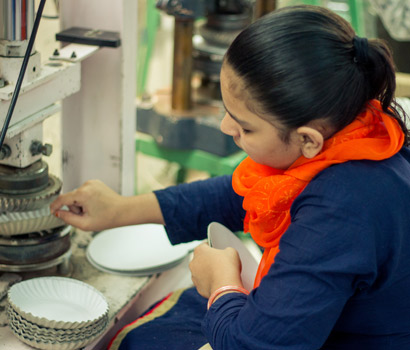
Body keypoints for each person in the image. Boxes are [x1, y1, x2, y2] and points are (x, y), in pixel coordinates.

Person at [50, 5, 410, 349]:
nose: (226, 127)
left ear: (307, 139)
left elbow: (253, 345)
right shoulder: (355, 133)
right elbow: (238, 195)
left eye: (246, 127)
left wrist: (221, 283)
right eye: (227, 111)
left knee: (144, 340)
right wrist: (121, 210)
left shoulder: (342, 209)